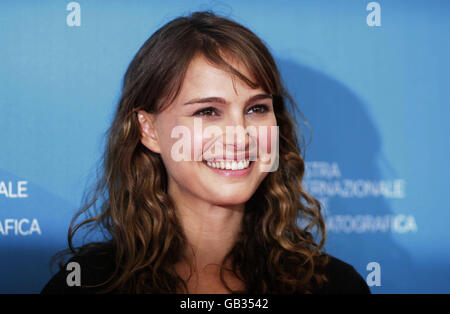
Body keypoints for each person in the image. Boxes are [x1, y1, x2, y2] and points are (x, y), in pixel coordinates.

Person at [41, 11, 370, 294]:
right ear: (149, 129)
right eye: (207, 112)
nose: (240, 136)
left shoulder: (333, 285)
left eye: (256, 109)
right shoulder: (89, 284)